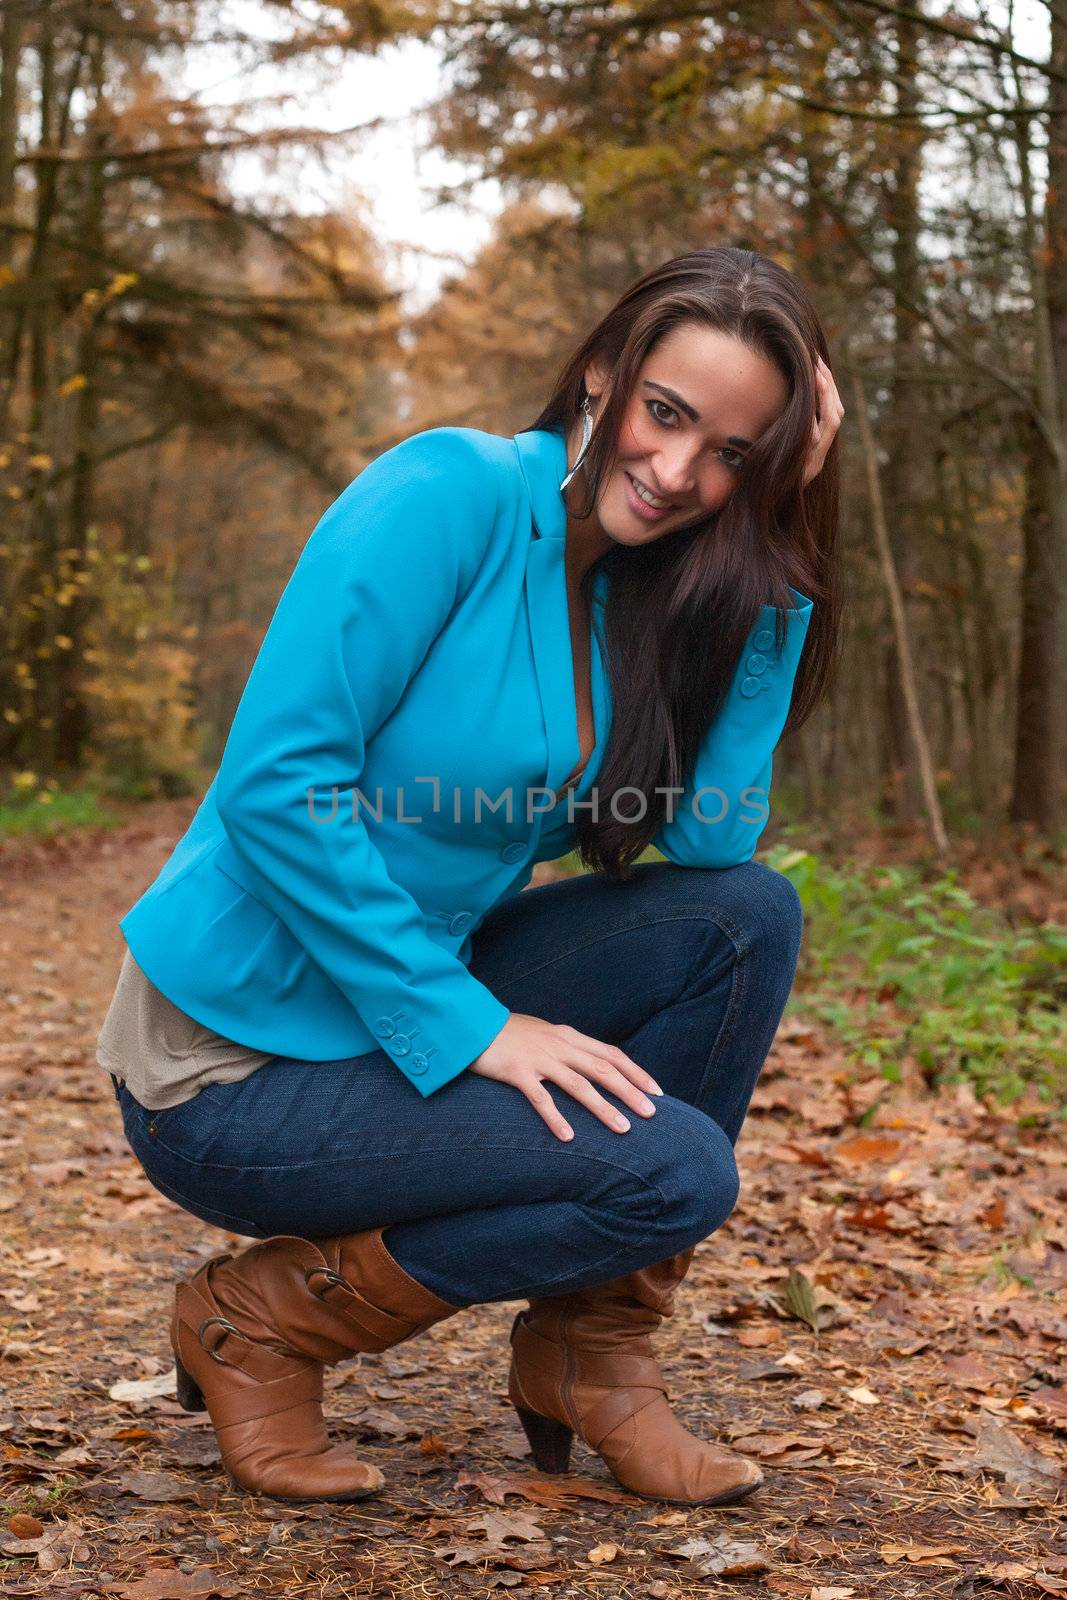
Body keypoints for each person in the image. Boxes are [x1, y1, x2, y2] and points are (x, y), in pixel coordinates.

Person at [98, 246, 843, 1508]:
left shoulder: (638, 591)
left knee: (743, 918)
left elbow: (712, 843)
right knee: (669, 1173)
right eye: (665, 414)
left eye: (731, 455)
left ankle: (587, 1355)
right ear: (602, 374)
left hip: (395, 1010)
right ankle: (263, 1319)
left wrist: (771, 554)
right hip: (228, 1061)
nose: (677, 473)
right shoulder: (447, 492)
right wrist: (473, 1029)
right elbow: (279, 786)